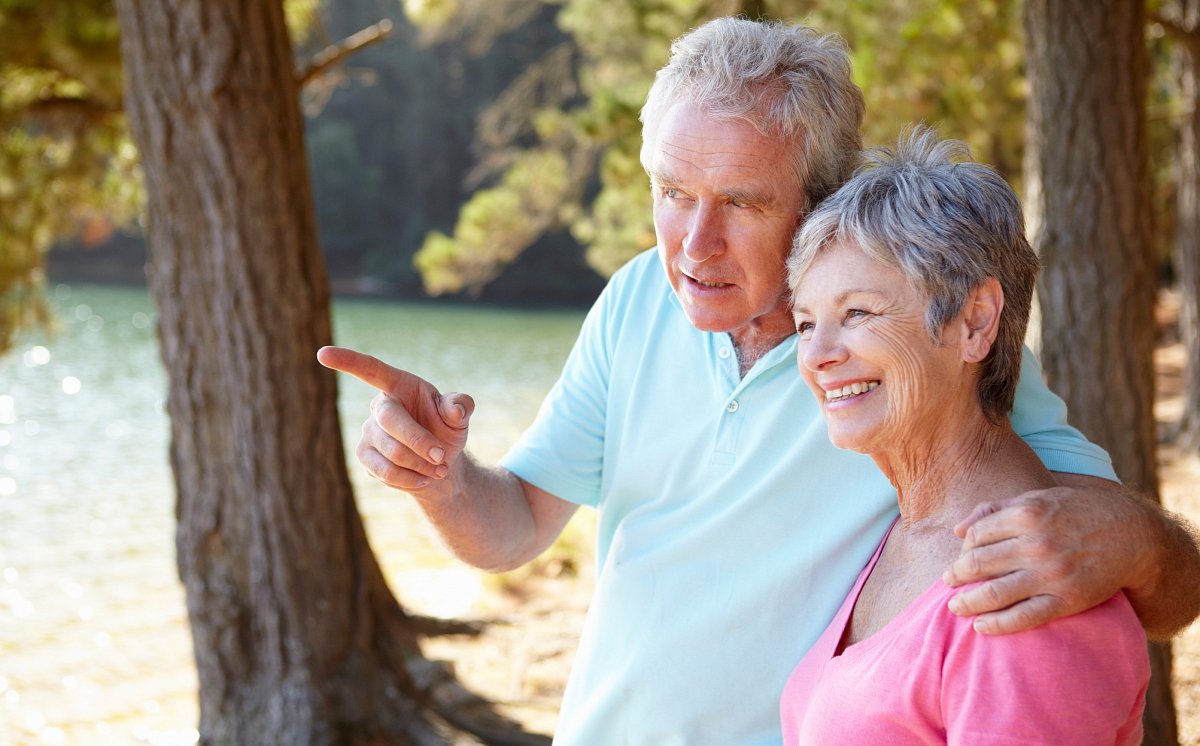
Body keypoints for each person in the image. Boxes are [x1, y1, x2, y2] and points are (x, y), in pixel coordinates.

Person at [316, 17, 1200, 745]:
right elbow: (509, 528)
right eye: (672, 192)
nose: (692, 245)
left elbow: (1137, 574)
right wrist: (440, 477)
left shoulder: (915, 364)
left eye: (740, 202)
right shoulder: (635, 302)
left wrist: (1143, 540)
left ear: (820, 206)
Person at [780, 126, 1148, 744]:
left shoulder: (1027, 597)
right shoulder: (909, 531)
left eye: (858, 313)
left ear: (974, 321)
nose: (816, 355)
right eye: (805, 322)